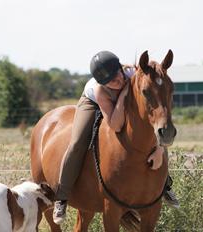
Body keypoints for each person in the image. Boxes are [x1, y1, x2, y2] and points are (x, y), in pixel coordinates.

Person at [53, 51, 179, 225]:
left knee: (156, 131)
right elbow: (115, 125)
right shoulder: (100, 90)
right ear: (103, 82)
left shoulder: (135, 76)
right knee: (76, 143)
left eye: (118, 76)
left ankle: (165, 184)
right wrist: (123, 94)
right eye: (111, 81)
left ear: (121, 69)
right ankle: (62, 197)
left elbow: (152, 119)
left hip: (126, 95)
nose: (117, 81)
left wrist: (158, 148)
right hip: (94, 103)